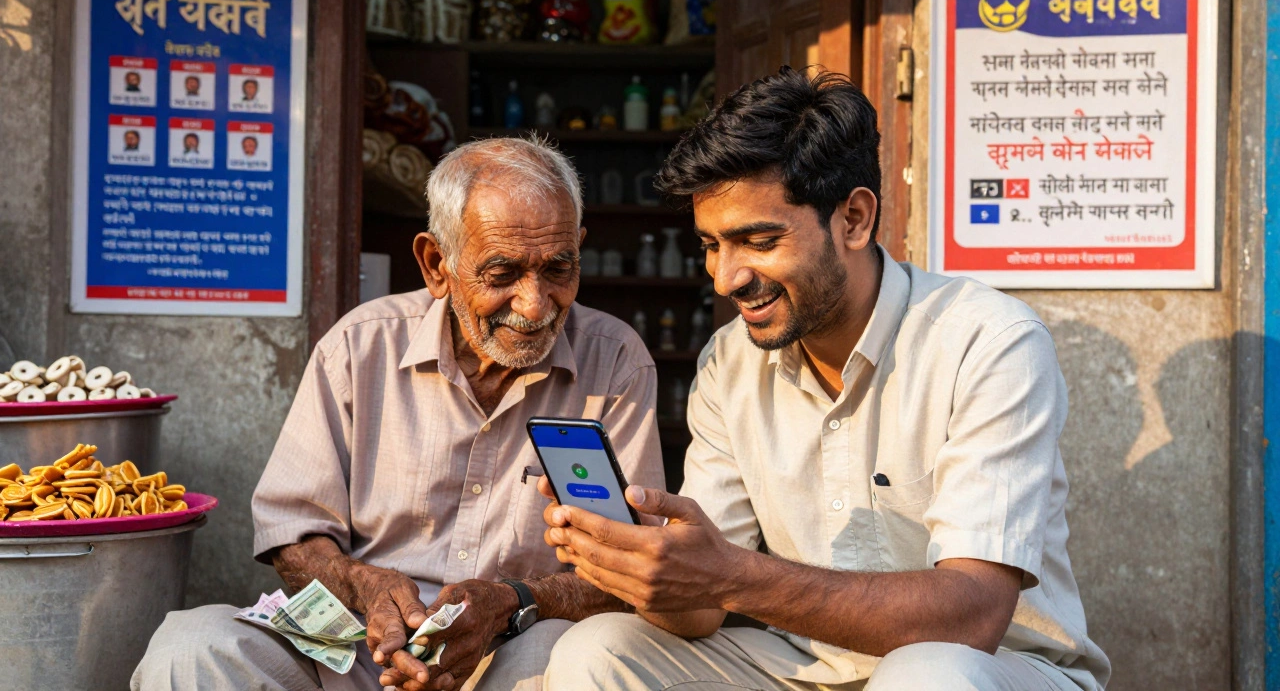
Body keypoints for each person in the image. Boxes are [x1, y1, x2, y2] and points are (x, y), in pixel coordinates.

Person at [540, 67, 1111, 691]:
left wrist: (728, 574)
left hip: (989, 668)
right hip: (798, 667)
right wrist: (640, 564)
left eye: (757, 240)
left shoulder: (990, 342)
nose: (725, 278)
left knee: (928, 674)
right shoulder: (729, 362)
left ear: (855, 219)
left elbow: (971, 616)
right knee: (598, 650)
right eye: (710, 245)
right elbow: (700, 611)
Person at [131, 136, 665, 691]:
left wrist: (513, 601)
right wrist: (366, 586)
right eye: (502, 274)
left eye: (558, 269)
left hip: (515, 656)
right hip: (361, 647)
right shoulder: (360, 348)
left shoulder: (616, 360)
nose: (535, 304)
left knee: (581, 652)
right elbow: (293, 537)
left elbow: (639, 568)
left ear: (579, 249)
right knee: (192, 647)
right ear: (437, 264)